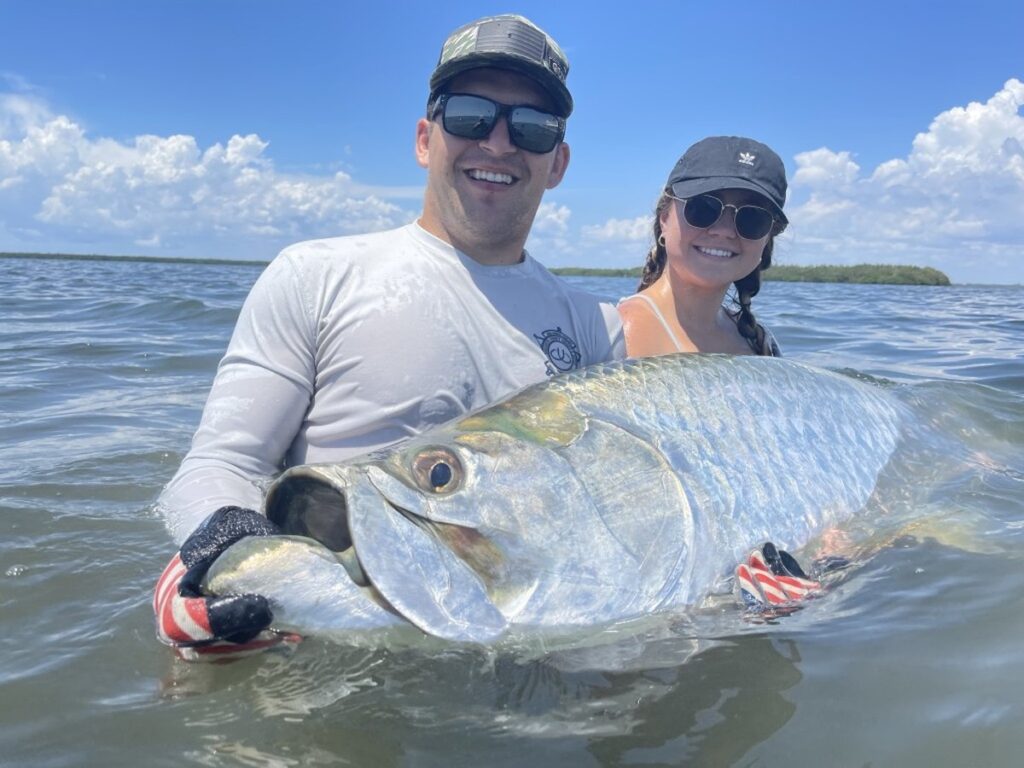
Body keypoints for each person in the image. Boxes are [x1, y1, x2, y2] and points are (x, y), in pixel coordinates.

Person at [153, 14, 624, 659]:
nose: (498, 142)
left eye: (532, 128)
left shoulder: (595, 326)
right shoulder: (315, 276)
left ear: (558, 163)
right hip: (320, 651)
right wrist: (222, 556)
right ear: (426, 139)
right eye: (469, 115)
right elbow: (223, 463)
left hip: (522, 667)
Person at [618, 136, 788, 358]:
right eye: (704, 208)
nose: (724, 230)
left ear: (767, 238)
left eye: (752, 217)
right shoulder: (611, 334)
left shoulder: (761, 344)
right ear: (664, 217)